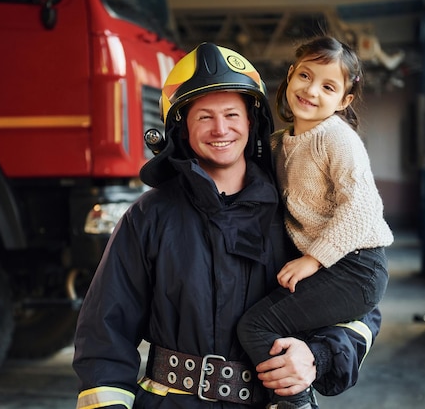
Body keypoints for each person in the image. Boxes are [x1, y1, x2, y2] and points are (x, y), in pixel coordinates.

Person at [73, 42, 381, 409]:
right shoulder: (149, 216)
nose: (221, 129)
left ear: (251, 122)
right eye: (204, 116)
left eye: (232, 115)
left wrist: (316, 356)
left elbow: (359, 305)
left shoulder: (296, 212)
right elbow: (103, 334)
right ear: (182, 129)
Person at [237, 36, 394, 409]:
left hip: (357, 267)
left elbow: (362, 209)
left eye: (328, 86)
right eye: (305, 75)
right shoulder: (277, 143)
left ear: (344, 101)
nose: (311, 90)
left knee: (255, 326)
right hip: (334, 267)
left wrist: (313, 260)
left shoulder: (337, 139)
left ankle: (296, 402)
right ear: (290, 76)